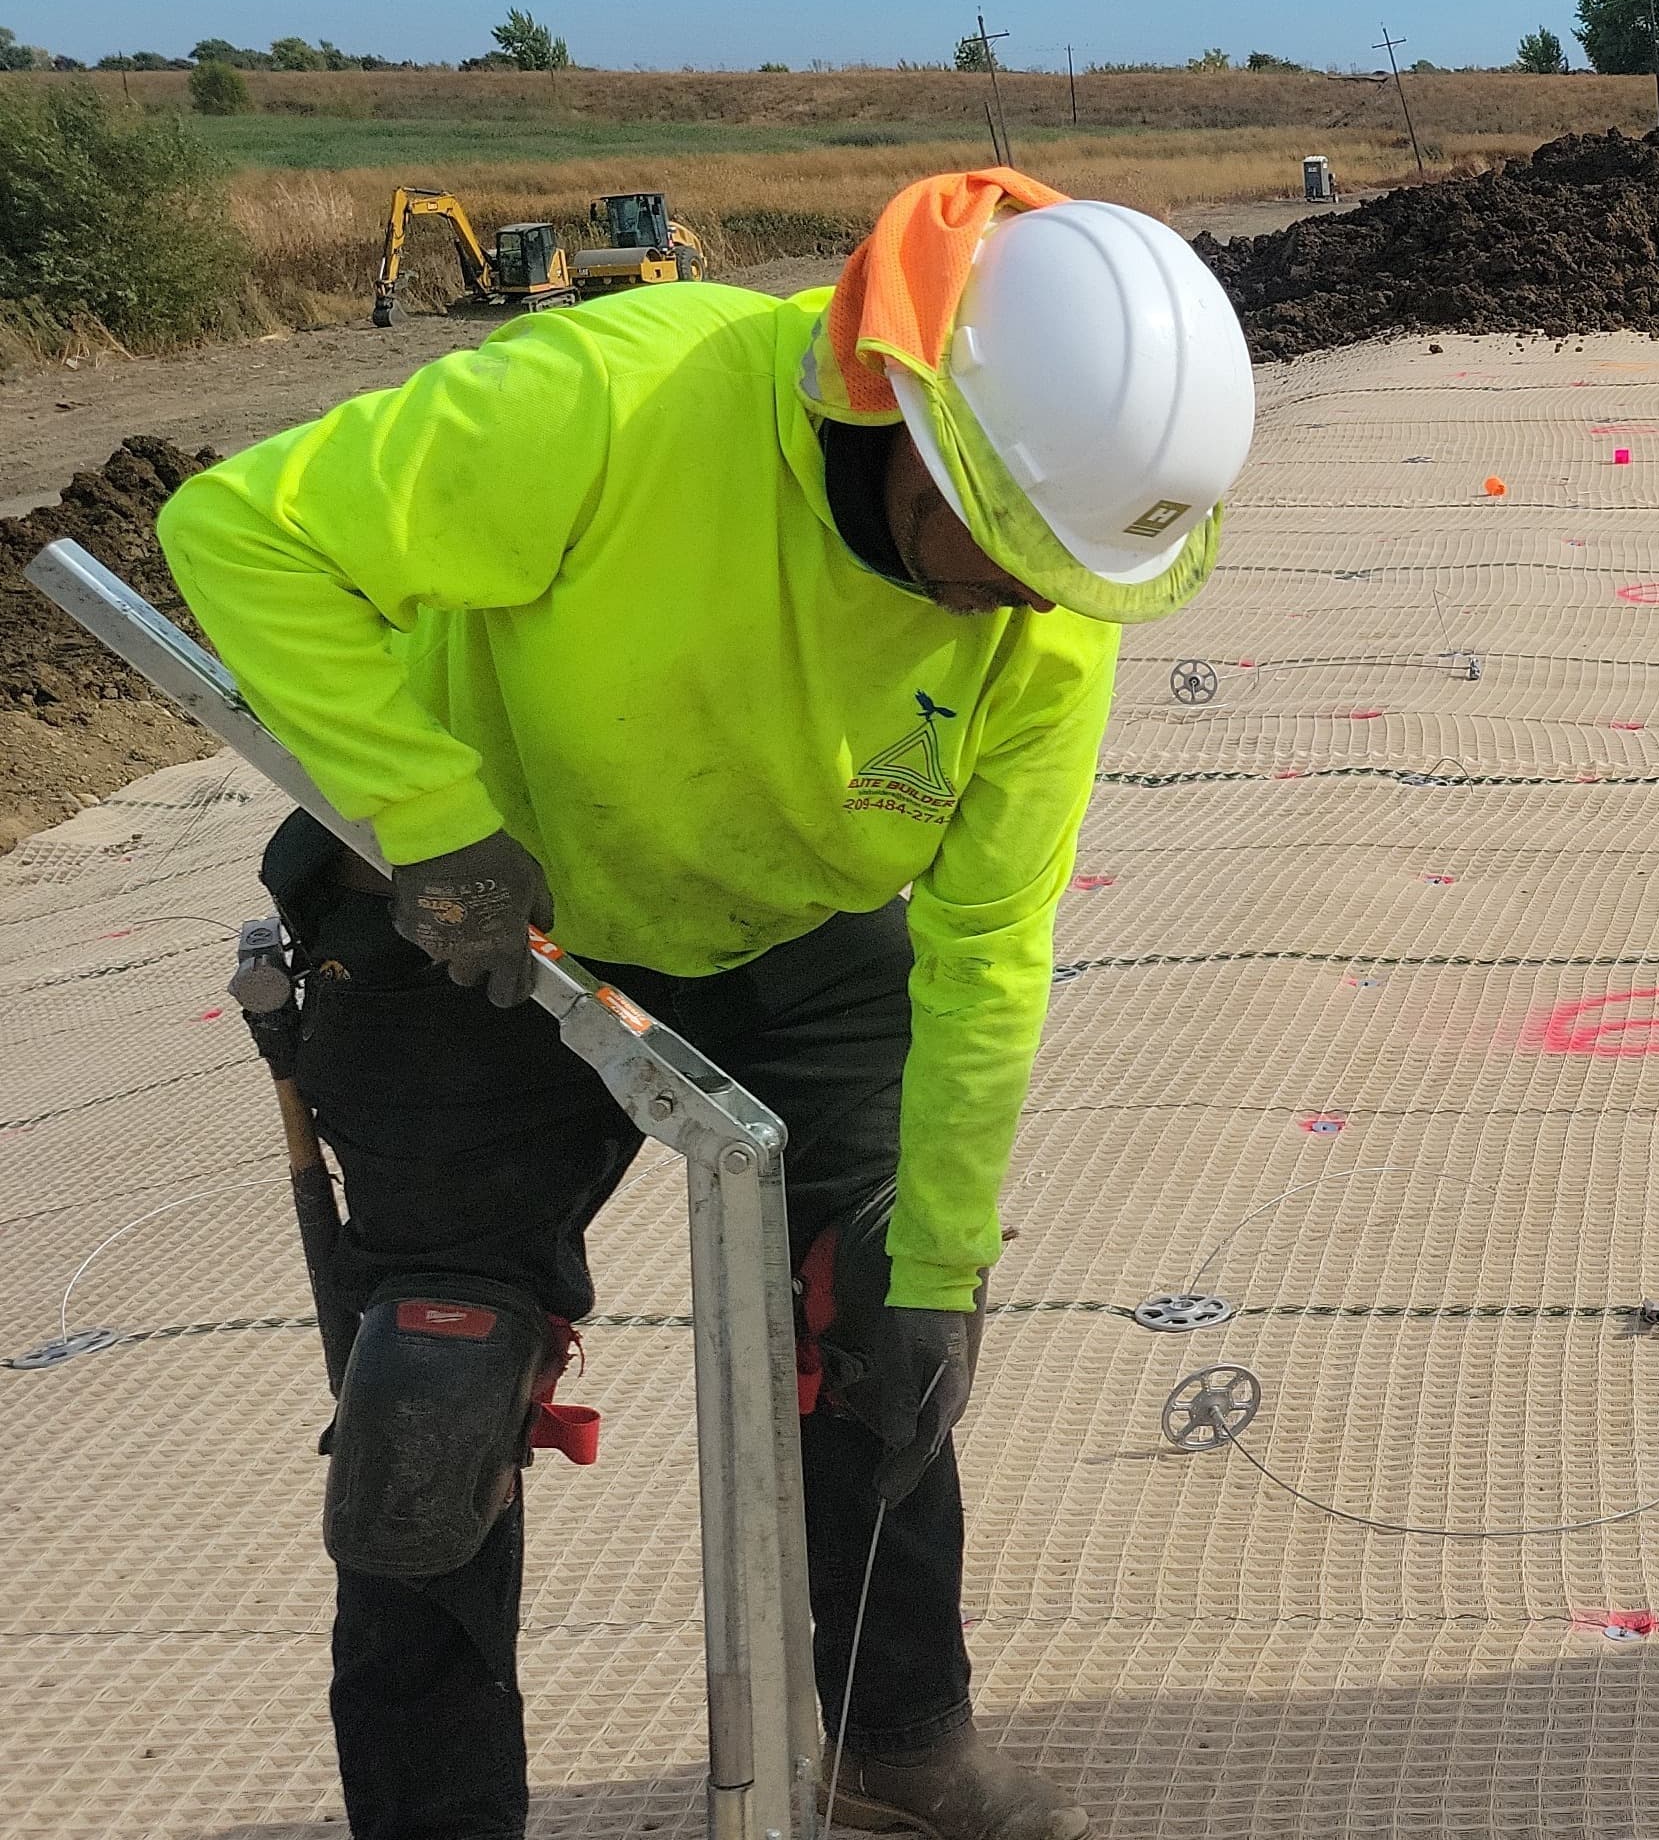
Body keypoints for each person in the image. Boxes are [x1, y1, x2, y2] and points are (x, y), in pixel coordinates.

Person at [159, 169, 1252, 1840]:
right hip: (484, 917)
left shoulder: (1049, 609)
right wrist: (427, 816)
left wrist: (941, 1259)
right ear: (912, 427)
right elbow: (238, 530)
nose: (1037, 599)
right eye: (1013, 549)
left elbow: (990, 945)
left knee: (884, 1322)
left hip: (794, 928)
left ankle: (897, 1743)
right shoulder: (621, 398)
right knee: (435, 1396)